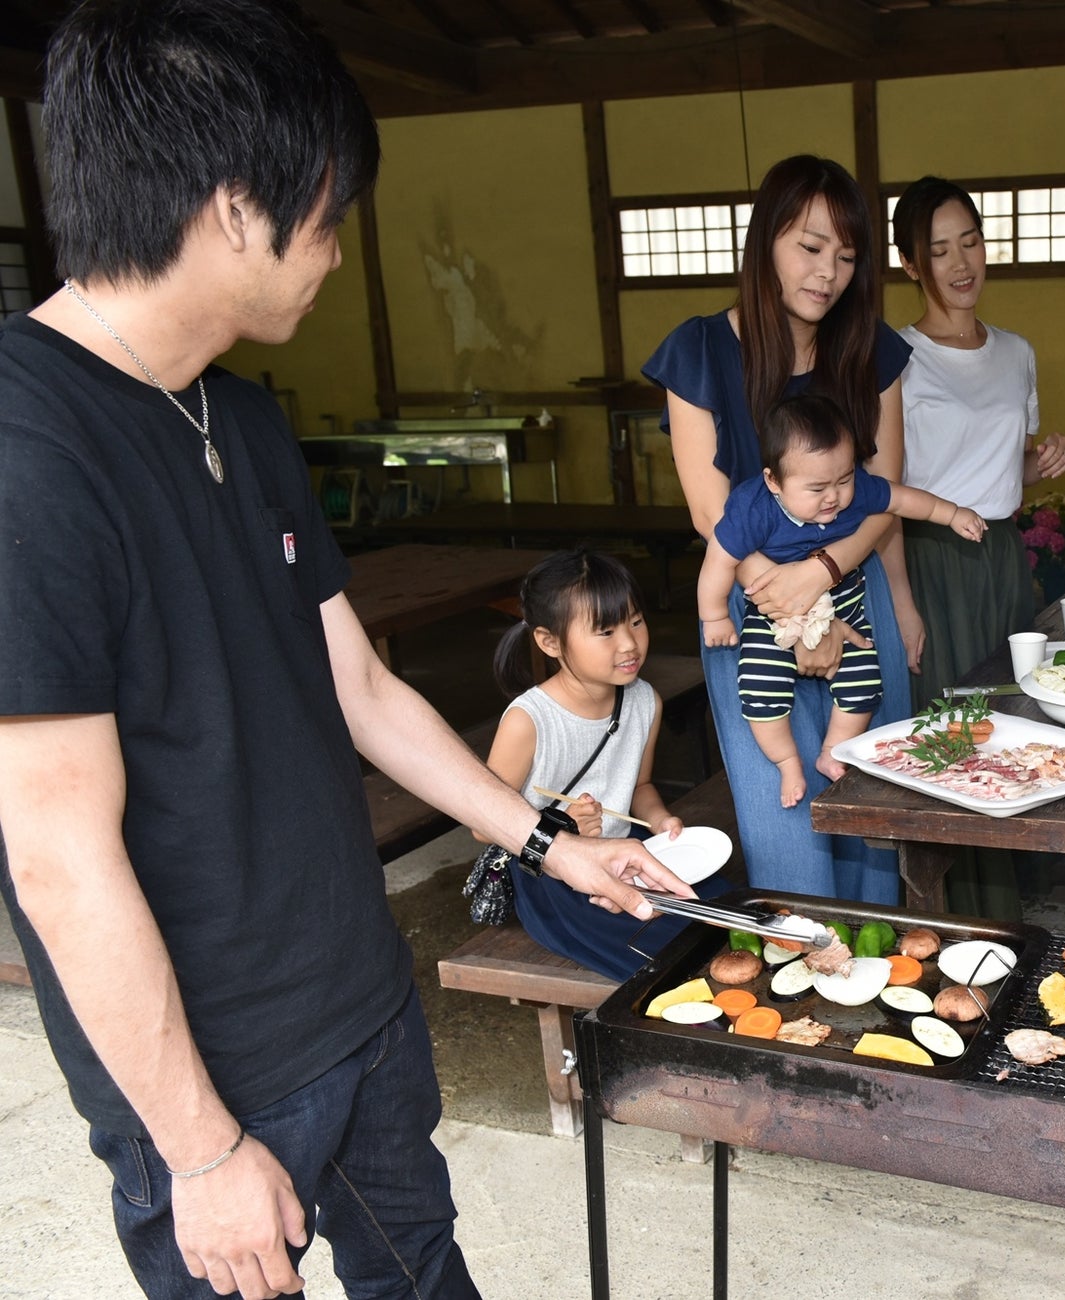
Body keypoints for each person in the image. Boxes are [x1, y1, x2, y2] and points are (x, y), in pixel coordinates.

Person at [0, 5, 689, 1298]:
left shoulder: (241, 416)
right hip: (209, 1067)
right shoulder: (26, 452)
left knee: (423, 1273)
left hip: (357, 995)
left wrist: (547, 840)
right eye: (323, 212)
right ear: (228, 208)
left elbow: (361, 687)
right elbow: (54, 855)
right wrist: (200, 1154)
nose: (333, 247)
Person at [645, 154, 913, 904]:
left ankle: (884, 964)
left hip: (855, 592)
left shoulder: (870, 350)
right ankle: (807, 973)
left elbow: (881, 497)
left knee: (870, 798)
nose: (829, 271)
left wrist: (825, 586)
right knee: (782, 807)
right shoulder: (696, 351)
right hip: (747, 600)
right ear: (765, 241)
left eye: (847, 255)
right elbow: (710, 512)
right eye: (810, 245)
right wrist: (795, 610)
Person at [698, 394, 986, 806]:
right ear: (773, 481)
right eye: (816, 488)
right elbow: (719, 560)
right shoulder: (753, 508)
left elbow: (903, 500)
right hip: (774, 616)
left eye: (844, 480)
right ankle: (786, 762)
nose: (833, 497)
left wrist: (953, 514)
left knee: (865, 683)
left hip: (846, 606)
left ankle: (833, 752)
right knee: (760, 689)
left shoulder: (858, 491)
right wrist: (714, 617)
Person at [478, 548, 726, 982]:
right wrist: (556, 826)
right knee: (664, 951)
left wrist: (659, 818)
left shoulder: (645, 701)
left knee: (725, 910)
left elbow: (641, 785)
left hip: (624, 851)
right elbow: (483, 825)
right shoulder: (528, 721)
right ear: (549, 641)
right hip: (551, 878)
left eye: (635, 621)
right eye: (605, 631)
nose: (629, 643)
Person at [889, 175, 1065, 706]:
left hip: (1002, 553)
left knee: (1011, 704)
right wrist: (903, 601)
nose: (961, 264)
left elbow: (1006, 471)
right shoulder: (897, 357)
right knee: (946, 713)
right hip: (930, 557)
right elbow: (881, 492)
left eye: (970, 242)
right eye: (939, 251)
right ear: (909, 264)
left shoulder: (1017, 352)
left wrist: (1043, 464)